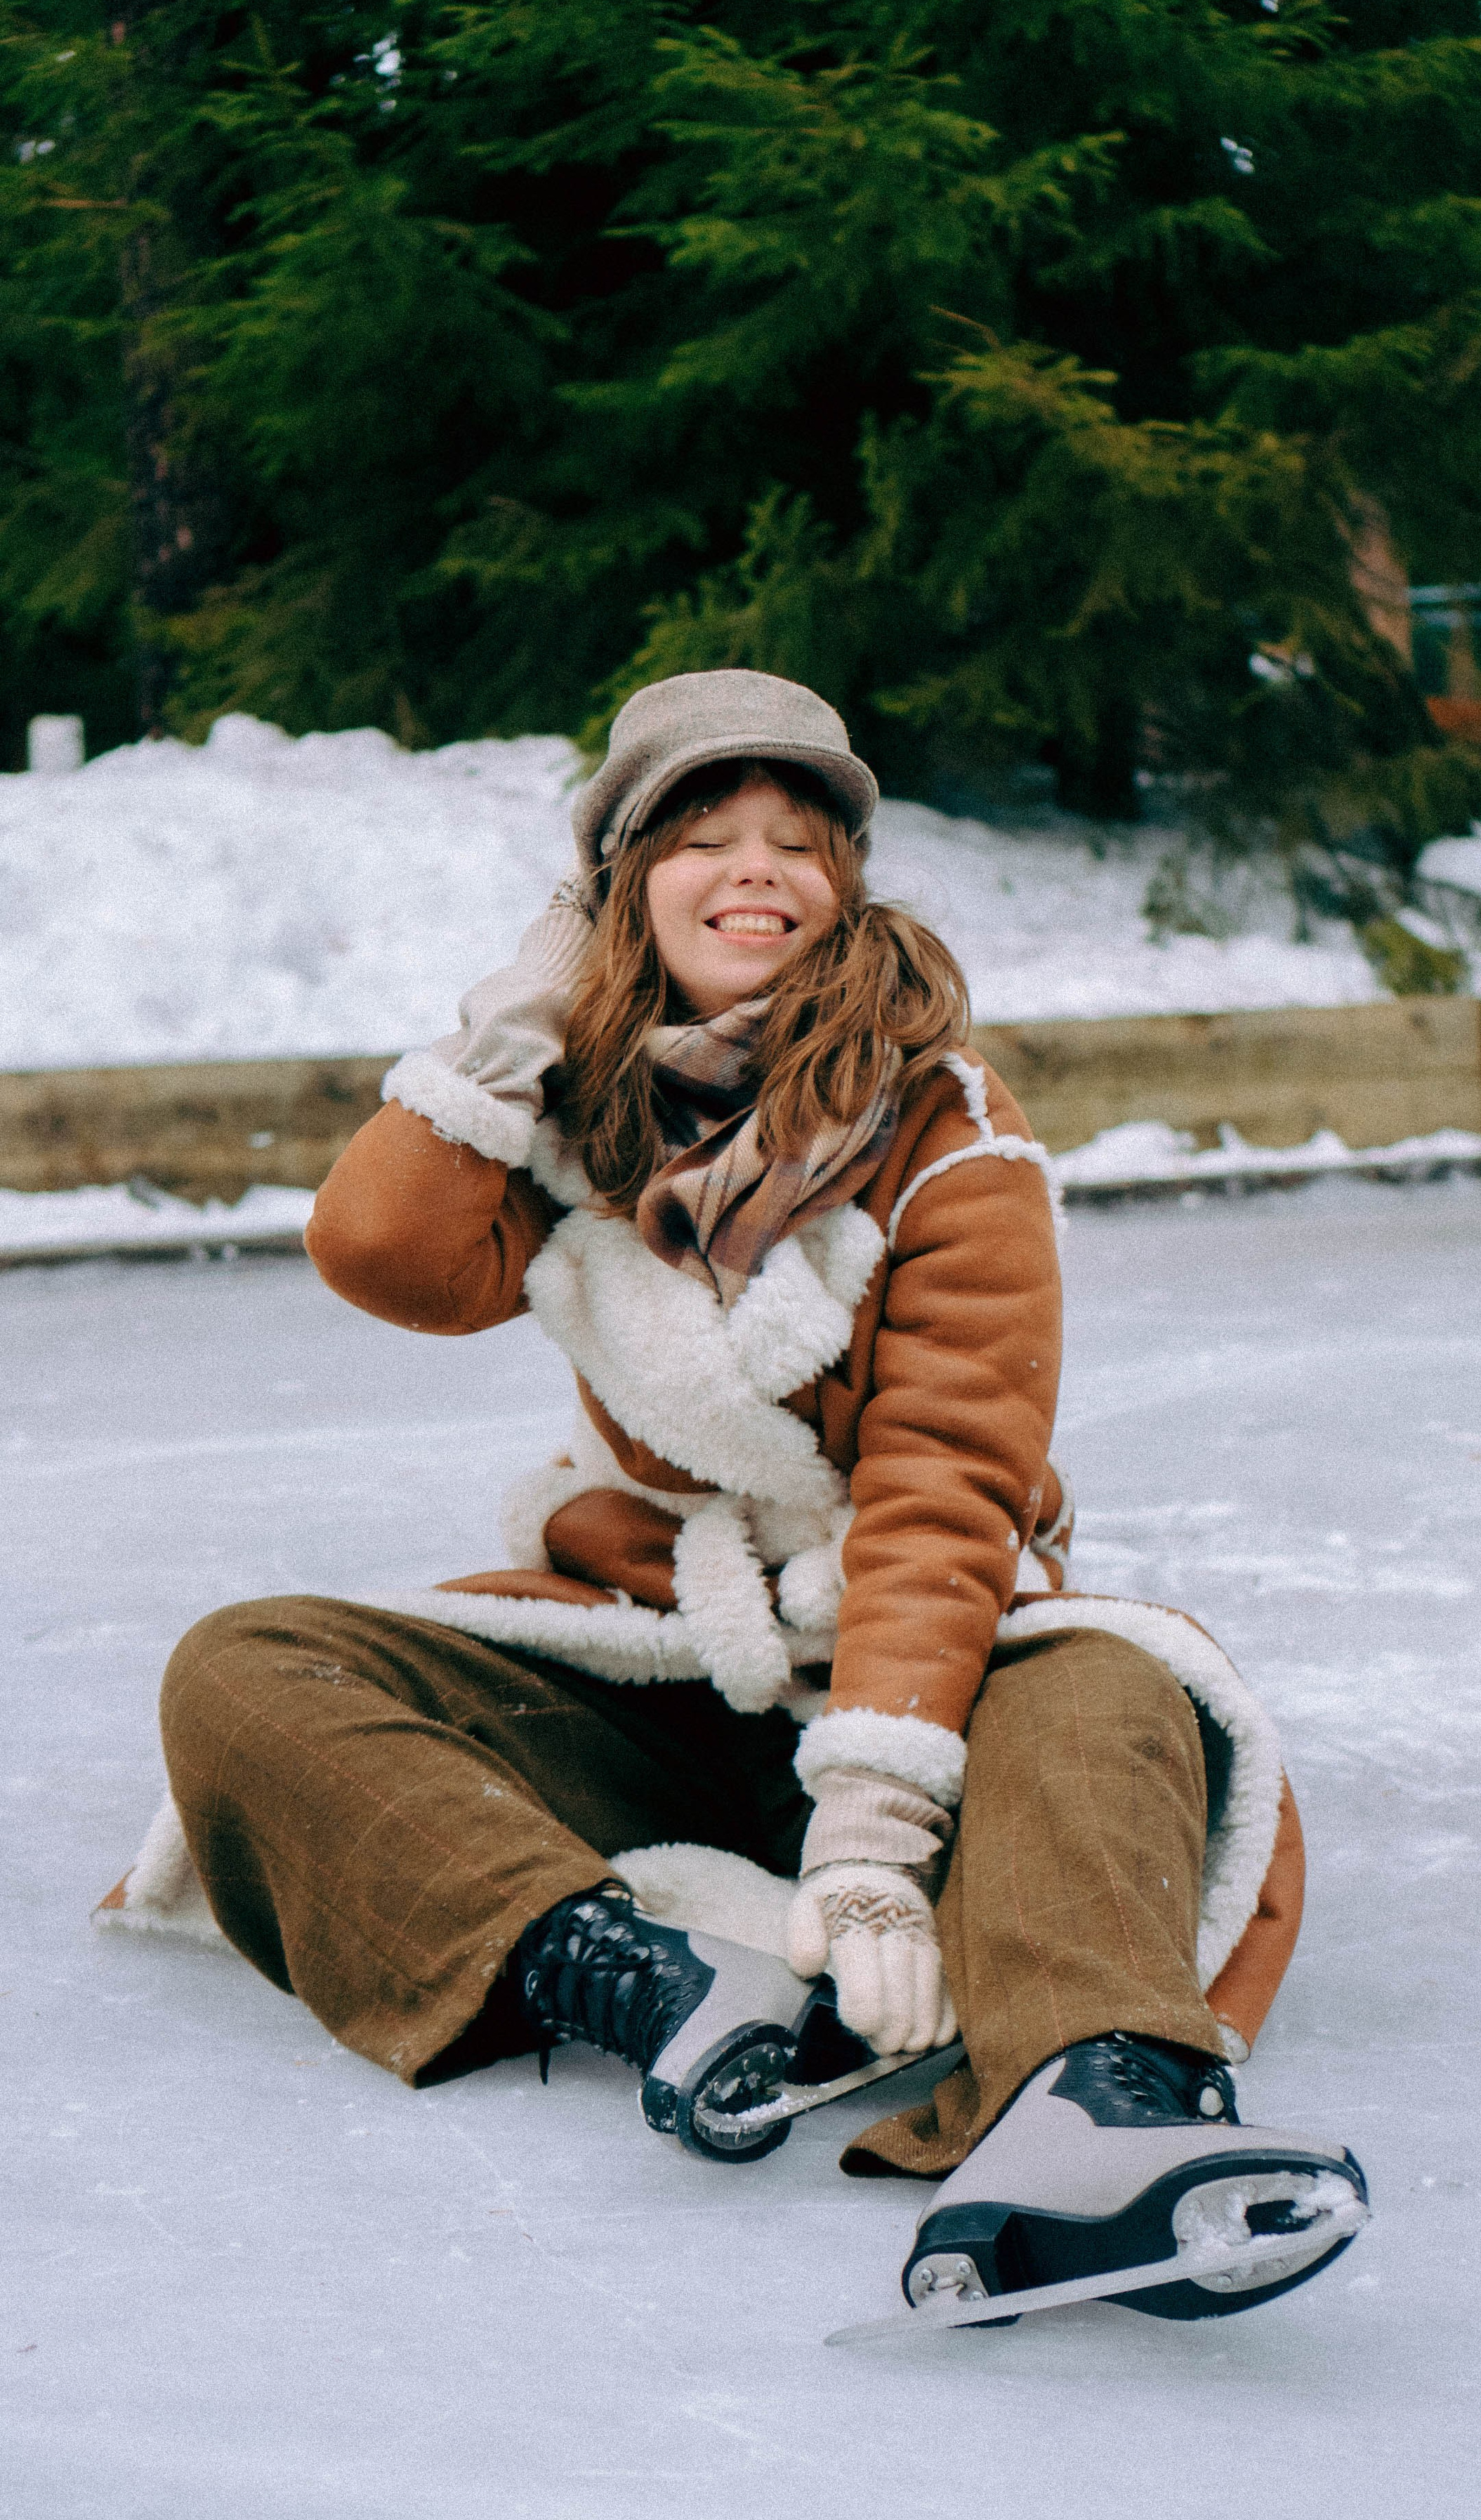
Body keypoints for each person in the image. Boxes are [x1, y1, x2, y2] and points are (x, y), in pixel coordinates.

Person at [136, 668, 1367, 2330]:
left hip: (919, 1670)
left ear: (845, 883)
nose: (758, 867)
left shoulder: (945, 1125)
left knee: (1117, 1683)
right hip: (679, 1651)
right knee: (247, 1663)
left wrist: (867, 1837)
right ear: (617, 887)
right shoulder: (573, 1108)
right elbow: (386, 1253)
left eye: (800, 839)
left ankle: (1098, 2106)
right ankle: (636, 1974)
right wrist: (511, 1024)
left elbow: (945, 1492)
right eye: (702, 835)